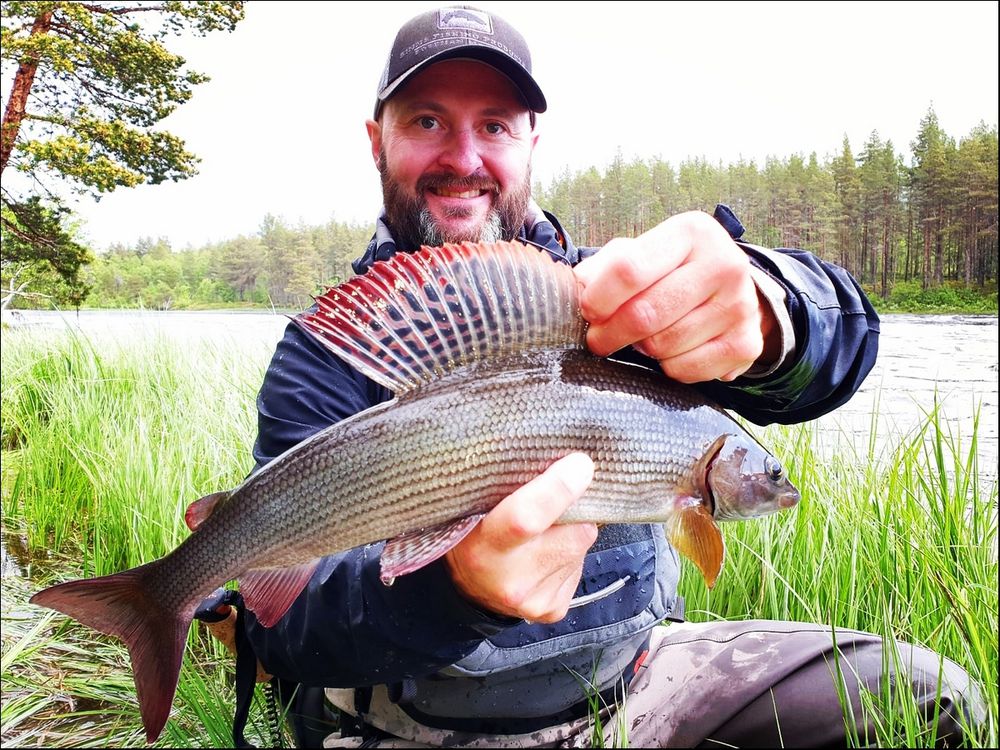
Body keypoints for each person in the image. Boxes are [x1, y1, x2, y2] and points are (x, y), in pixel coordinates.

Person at [199, 6, 984, 748]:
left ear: (532, 139)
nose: (464, 157)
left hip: (636, 689)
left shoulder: (617, 301)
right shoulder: (331, 349)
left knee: (938, 701)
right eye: (427, 120)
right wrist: (453, 592)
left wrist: (769, 310)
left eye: (495, 125)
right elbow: (285, 631)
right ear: (377, 139)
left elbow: (842, 348)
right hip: (411, 724)